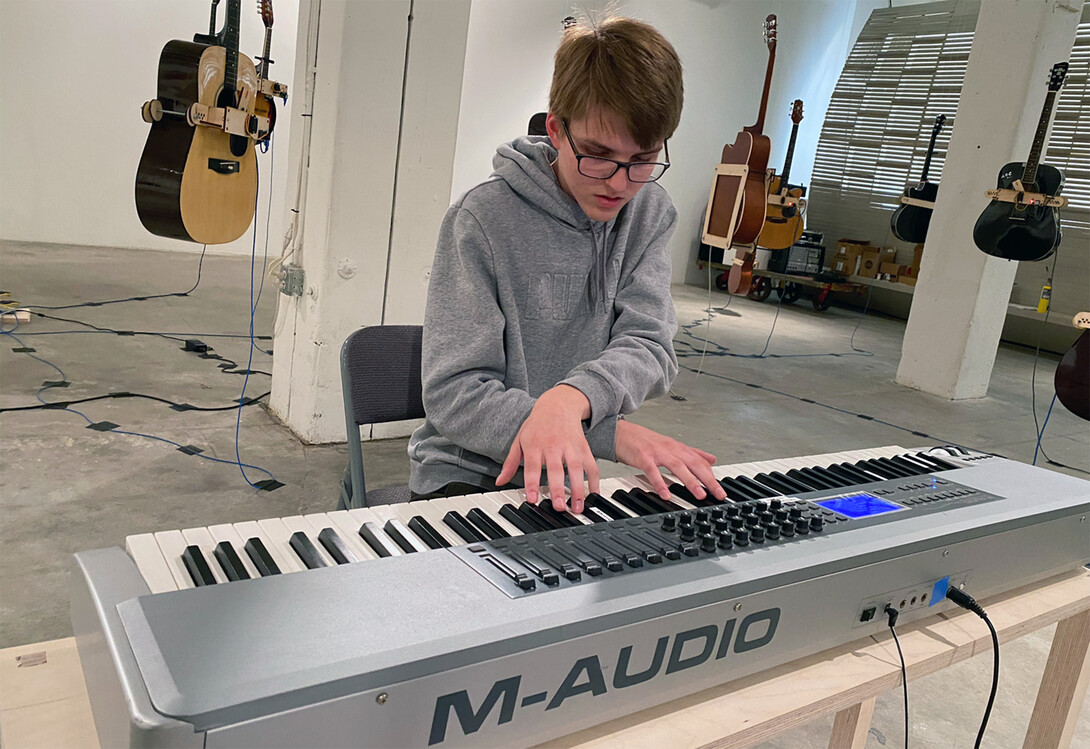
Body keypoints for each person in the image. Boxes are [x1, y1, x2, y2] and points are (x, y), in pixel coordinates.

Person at [408, 14, 727, 513]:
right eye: (598, 155)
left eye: (642, 159)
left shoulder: (649, 212)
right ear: (557, 130)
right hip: (471, 475)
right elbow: (454, 393)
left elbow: (650, 345)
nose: (619, 184)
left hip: (575, 469)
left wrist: (569, 400)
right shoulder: (483, 218)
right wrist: (614, 436)